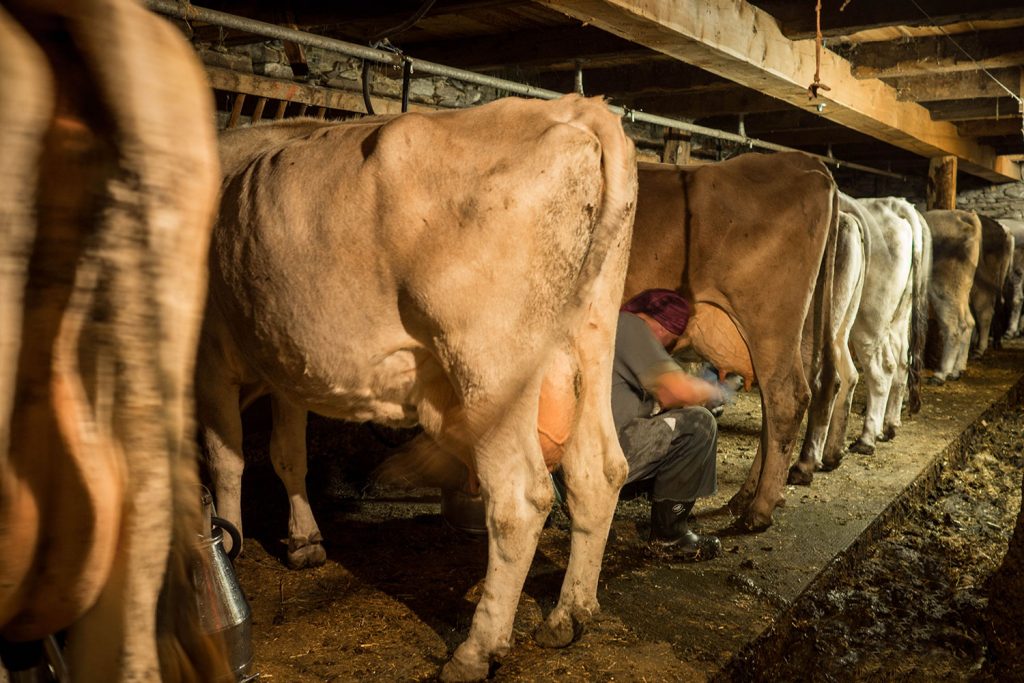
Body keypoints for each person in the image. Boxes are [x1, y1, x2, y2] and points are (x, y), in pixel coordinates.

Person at [613, 288, 724, 561]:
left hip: (586, 448)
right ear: (663, 327)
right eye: (669, 340)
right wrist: (716, 392)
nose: (664, 347)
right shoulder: (630, 325)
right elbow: (678, 391)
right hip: (601, 453)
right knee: (700, 424)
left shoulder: (613, 329)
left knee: (670, 422)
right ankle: (668, 536)